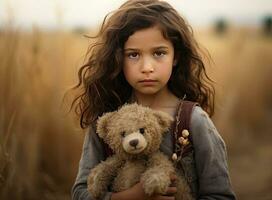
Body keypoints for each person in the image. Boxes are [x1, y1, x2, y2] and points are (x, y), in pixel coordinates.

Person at [70, 0, 236, 199]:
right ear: (118, 59)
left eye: (159, 53)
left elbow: (221, 195)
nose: (147, 67)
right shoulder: (106, 121)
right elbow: (80, 193)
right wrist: (129, 197)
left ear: (176, 57)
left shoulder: (193, 121)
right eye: (133, 55)